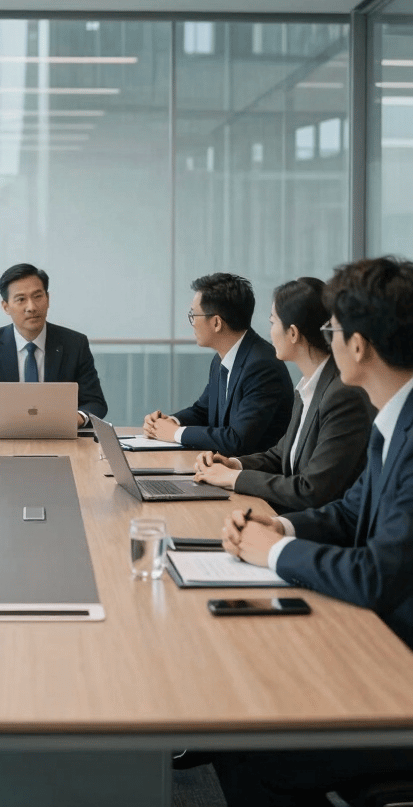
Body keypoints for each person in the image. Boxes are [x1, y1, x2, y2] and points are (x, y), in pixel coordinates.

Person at [209, 256, 413, 806]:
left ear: (361, 345)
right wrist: (280, 523)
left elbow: (376, 576)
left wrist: (274, 552)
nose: (329, 340)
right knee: (238, 716)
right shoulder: (392, 416)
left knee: (250, 745)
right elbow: (349, 513)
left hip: (398, 673)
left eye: (334, 330)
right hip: (382, 645)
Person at [192, 277, 375, 512]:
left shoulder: (341, 396)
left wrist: (232, 479)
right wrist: (233, 464)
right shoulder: (310, 385)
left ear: (293, 333)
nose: (269, 332)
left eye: (273, 322)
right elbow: (282, 455)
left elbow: (311, 489)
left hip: (316, 531)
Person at [143, 272, 293, 456]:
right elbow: (203, 411)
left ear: (216, 323)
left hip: (251, 475)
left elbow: (237, 439)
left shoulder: (262, 366)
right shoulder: (222, 358)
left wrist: (175, 434)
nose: (192, 323)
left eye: (194, 315)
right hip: (220, 468)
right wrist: (170, 422)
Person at [0, 263, 108, 427]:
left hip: (61, 438)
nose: (31, 307)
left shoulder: (74, 344)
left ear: (48, 299)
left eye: (38, 296)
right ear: (6, 306)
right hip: (2, 440)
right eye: (21, 299)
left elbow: (95, 402)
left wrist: (77, 418)